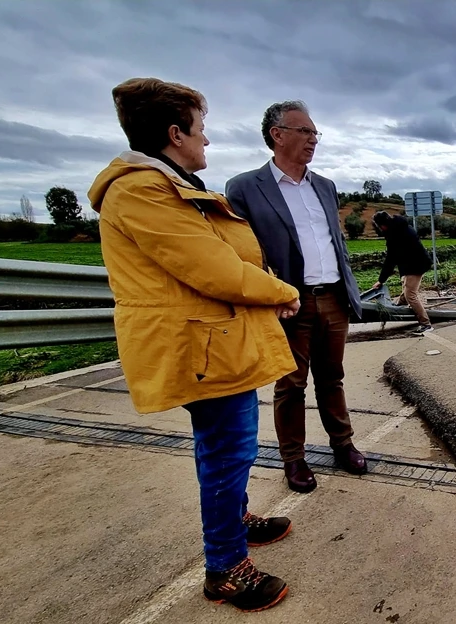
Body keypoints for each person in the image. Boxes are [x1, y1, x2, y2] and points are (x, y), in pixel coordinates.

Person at [88, 78, 300, 612]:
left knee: (228, 447)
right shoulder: (142, 189)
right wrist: (282, 292)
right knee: (228, 450)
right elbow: (214, 268)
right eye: (201, 130)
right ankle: (225, 567)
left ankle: (236, 520)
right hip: (199, 345)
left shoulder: (169, 182)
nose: (206, 141)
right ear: (175, 132)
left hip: (215, 340)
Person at [225, 101, 366, 494]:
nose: (313, 139)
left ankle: (343, 444)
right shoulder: (245, 188)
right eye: (305, 131)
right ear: (278, 134)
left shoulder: (325, 185)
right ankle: (294, 458)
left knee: (332, 377)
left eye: (315, 133)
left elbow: (334, 242)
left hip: (333, 297)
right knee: (291, 384)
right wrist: (271, 293)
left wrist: (347, 286)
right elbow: (244, 251)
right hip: (289, 301)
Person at [370, 210, 434, 335]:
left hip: (416, 265)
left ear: (382, 225)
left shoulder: (394, 234)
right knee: (406, 284)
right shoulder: (400, 226)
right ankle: (401, 302)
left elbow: (390, 259)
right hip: (414, 263)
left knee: (411, 294)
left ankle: (426, 324)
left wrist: (381, 280)